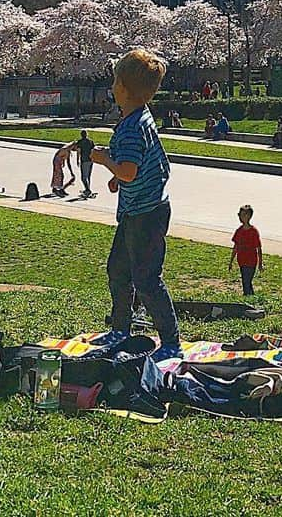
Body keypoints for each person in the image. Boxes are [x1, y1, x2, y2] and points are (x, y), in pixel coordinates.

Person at [86, 48, 180, 358]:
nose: (111, 87)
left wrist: (105, 161)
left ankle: (171, 343)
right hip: (138, 208)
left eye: (114, 81)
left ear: (123, 89)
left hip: (146, 214)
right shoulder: (140, 118)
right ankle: (120, 329)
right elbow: (145, 165)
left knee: (146, 279)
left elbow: (128, 169)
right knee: (118, 269)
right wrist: (119, 176)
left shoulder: (130, 127)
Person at [228, 204, 263, 295]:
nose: (240, 217)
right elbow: (235, 247)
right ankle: (249, 296)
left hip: (251, 261)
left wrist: (260, 263)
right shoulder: (239, 231)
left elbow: (258, 248)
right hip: (242, 260)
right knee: (245, 280)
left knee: (247, 281)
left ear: (248, 216)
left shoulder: (254, 231)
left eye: (242, 215)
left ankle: (248, 296)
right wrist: (231, 261)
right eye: (239, 215)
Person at [74, 129, 96, 198]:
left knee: (83, 177)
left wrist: (77, 160)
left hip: (84, 160)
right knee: (88, 176)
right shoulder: (91, 141)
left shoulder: (80, 142)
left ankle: (87, 190)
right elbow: (93, 150)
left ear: (81, 135)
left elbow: (78, 151)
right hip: (90, 160)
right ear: (87, 135)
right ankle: (88, 189)